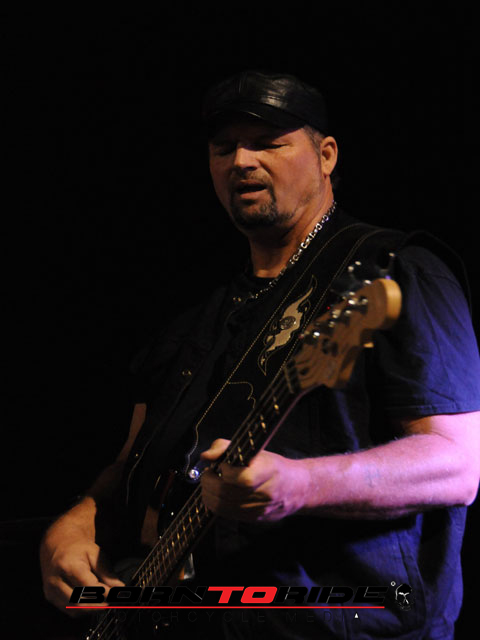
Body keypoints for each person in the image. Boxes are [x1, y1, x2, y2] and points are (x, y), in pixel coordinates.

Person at [40, 70, 480, 639]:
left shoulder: (392, 271)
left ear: (326, 155)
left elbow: (456, 464)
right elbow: (132, 461)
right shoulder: (192, 312)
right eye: (224, 148)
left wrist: (300, 484)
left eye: (268, 143)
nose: (242, 161)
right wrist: (80, 520)